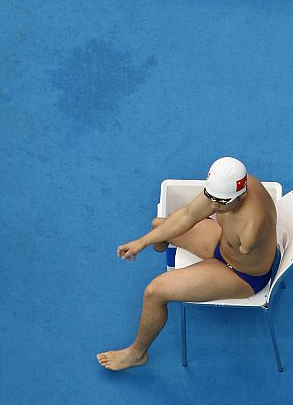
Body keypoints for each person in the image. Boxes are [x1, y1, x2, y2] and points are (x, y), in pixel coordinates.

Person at [97, 157, 279, 371]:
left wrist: (201, 269)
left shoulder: (249, 228)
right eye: (211, 197)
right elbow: (189, 214)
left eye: (221, 203)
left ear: (241, 195)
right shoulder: (233, 187)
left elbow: (240, 248)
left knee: (154, 292)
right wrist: (142, 242)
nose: (213, 206)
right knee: (157, 227)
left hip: (241, 273)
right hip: (224, 244)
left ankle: (137, 353)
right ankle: (165, 257)